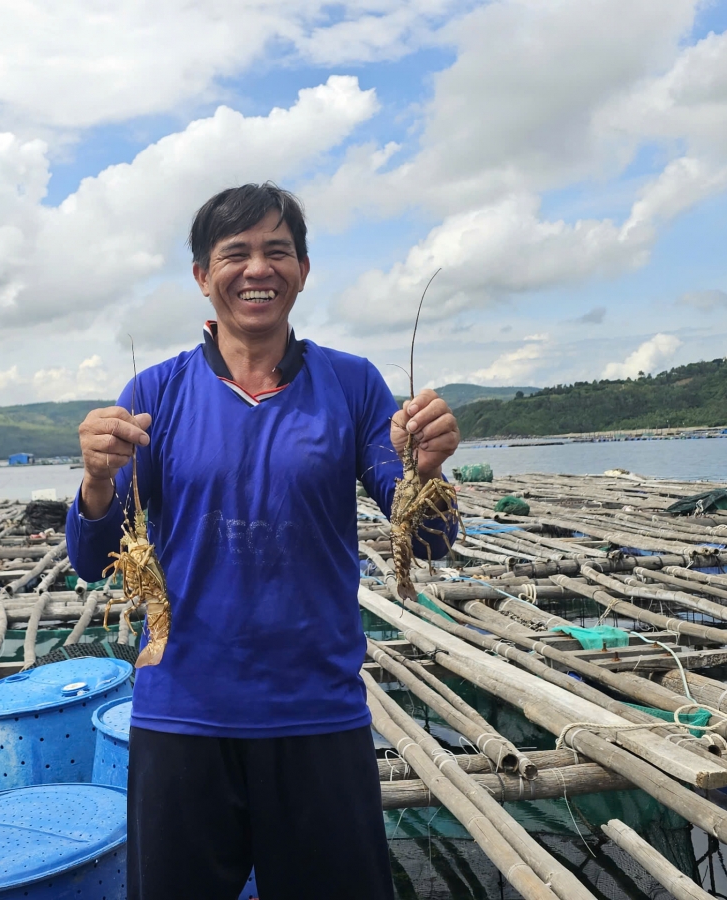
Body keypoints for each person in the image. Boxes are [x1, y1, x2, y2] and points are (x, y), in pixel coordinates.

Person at [66, 183, 460, 900]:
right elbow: (93, 558)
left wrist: (426, 471)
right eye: (235, 254)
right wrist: (96, 481)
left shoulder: (353, 385)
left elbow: (426, 539)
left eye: (277, 252)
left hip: (317, 714)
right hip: (183, 714)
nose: (257, 269)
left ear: (303, 272)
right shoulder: (154, 393)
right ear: (201, 276)